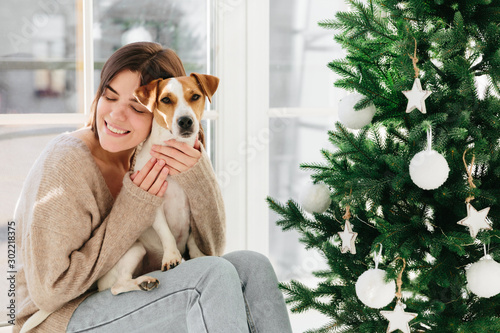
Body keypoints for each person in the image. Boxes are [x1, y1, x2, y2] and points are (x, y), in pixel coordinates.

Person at [14, 42, 293, 333]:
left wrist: (197, 176)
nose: (116, 116)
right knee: (211, 275)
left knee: (253, 267)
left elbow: (210, 250)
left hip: (134, 298)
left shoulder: (160, 153)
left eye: (136, 106)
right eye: (108, 97)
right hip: (59, 320)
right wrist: (133, 208)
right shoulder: (65, 163)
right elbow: (49, 291)